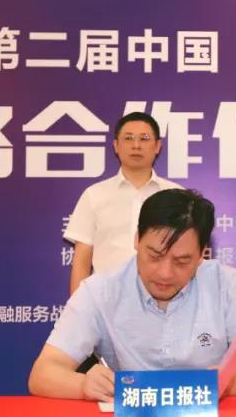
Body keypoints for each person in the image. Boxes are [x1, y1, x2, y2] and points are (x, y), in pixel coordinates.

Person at [29, 189, 236, 401]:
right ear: (137, 240)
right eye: (154, 256)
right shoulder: (100, 291)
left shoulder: (226, 285)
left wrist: (227, 384)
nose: (165, 273)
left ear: (202, 254)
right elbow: (43, 373)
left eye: (182, 261)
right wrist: (83, 385)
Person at [63, 112, 181, 296]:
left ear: (157, 146)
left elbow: (186, 257)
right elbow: (81, 262)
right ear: (116, 146)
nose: (136, 145)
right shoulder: (94, 195)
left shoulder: (177, 196)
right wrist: (78, 309)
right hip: (106, 300)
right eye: (128, 138)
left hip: (163, 300)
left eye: (144, 138)